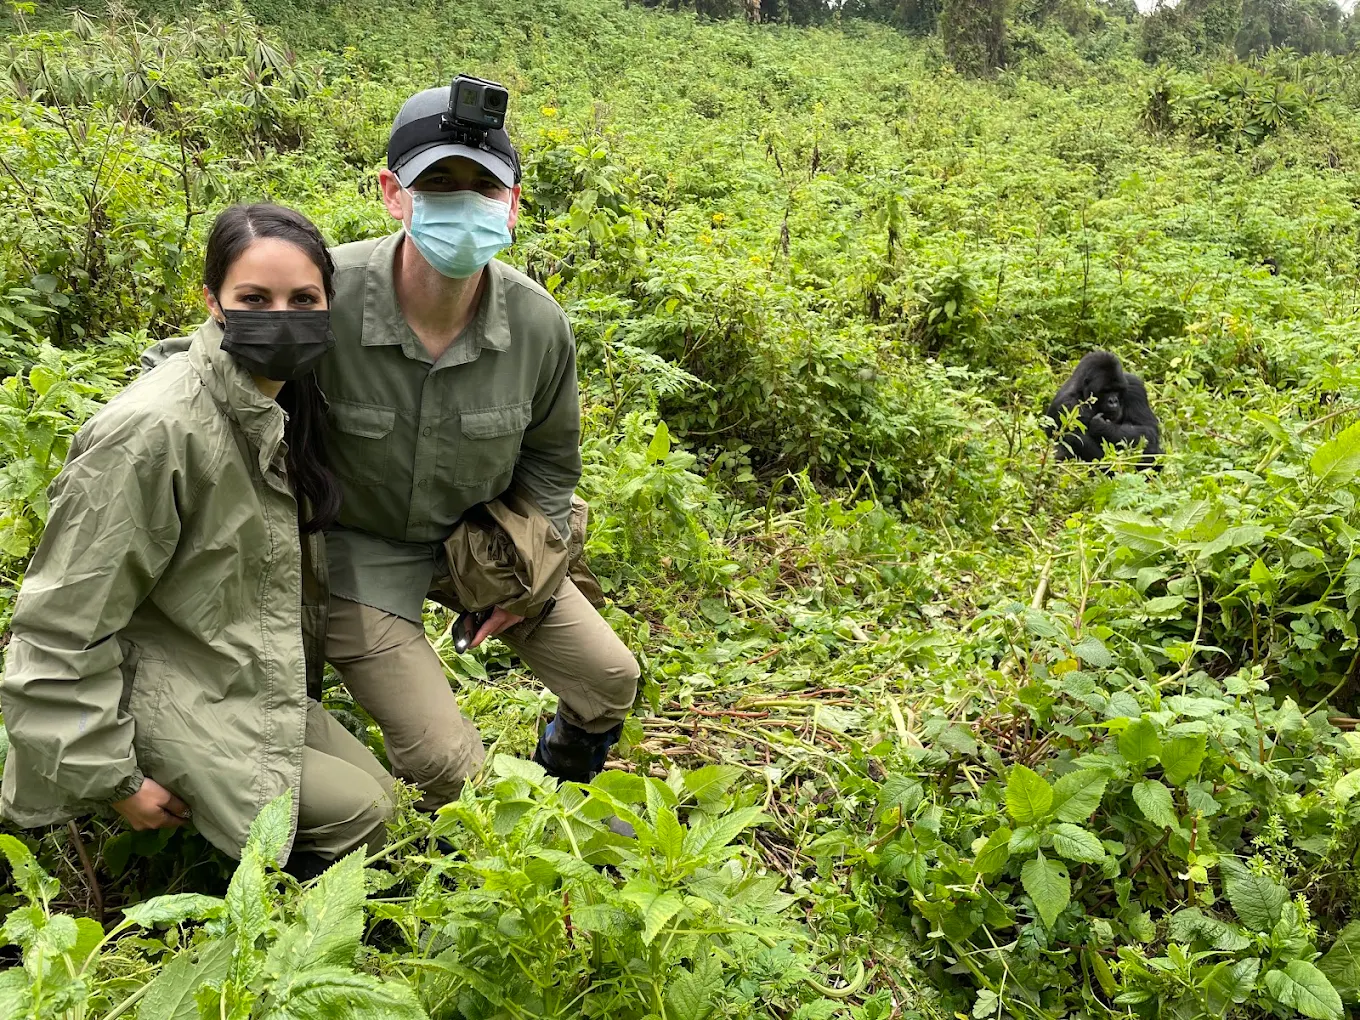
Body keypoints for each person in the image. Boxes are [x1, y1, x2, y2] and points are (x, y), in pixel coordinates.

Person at [148, 79, 640, 809]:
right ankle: (460, 845)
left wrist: (527, 574)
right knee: (448, 762)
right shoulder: (324, 294)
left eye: (483, 187)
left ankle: (567, 776)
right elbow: (208, 363)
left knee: (611, 679)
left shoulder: (538, 325)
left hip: (481, 540)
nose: (462, 203)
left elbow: (550, 461)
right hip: (360, 553)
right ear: (392, 193)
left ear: (512, 203)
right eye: (437, 183)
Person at [3, 205, 395, 875]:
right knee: (362, 815)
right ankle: (265, 913)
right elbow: (60, 625)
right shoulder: (153, 431)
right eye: (255, 299)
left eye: (303, 299)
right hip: (156, 689)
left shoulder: (282, 400)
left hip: (226, 669)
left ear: (330, 303)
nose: (282, 318)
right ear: (213, 300)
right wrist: (116, 778)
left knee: (385, 797)